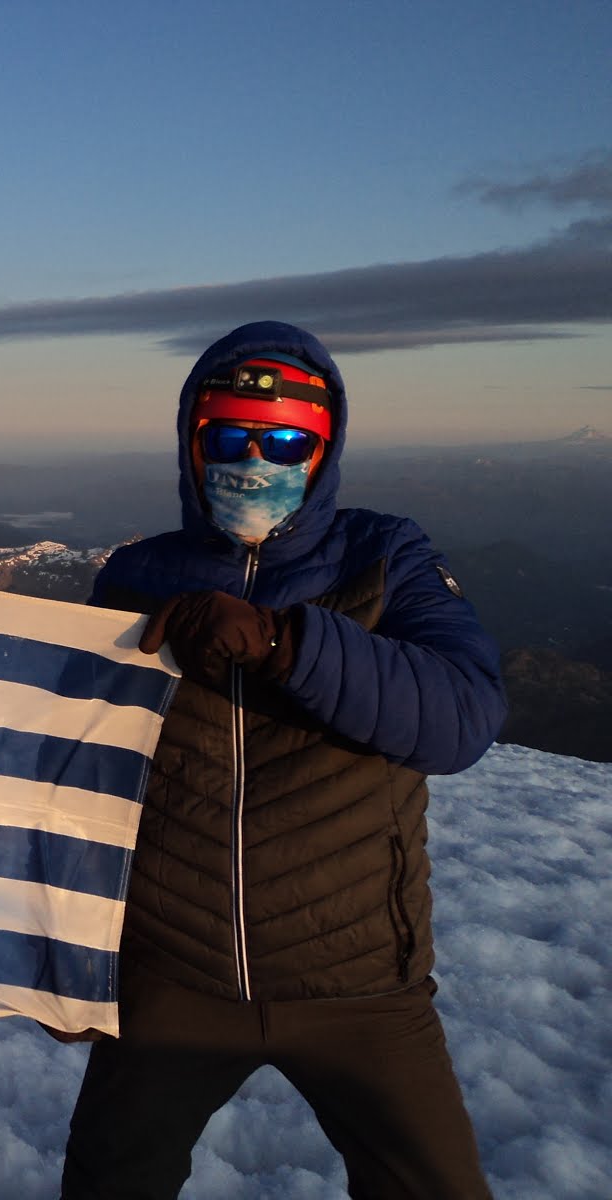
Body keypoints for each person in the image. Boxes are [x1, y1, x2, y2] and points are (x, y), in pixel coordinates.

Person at [58, 321, 505, 1199]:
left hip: (361, 983)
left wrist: (284, 643)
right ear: (192, 442)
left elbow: (462, 716)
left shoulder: (385, 557)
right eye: (229, 436)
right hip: (170, 977)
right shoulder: (137, 575)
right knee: (108, 1184)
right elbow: (81, 773)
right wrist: (63, 952)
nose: (255, 458)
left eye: (287, 440)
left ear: (324, 449)